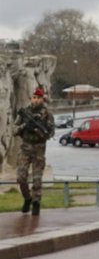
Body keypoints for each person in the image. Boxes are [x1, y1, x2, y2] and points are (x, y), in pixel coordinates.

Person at [14, 87, 55, 216]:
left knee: (37, 180)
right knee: (21, 177)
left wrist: (39, 131)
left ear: (42, 99)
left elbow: (51, 133)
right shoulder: (25, 112)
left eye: (38, 98)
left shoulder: (47, 114)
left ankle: (36, 203)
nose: (35, 100)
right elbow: (14, 130)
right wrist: (24, 126)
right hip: (25, 149)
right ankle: (27, 198)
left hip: (38, 150)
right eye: (34, 97)